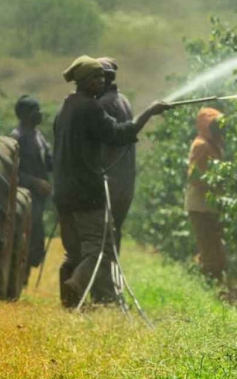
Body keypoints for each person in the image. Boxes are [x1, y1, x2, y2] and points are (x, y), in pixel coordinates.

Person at [53, 55, 171, 308]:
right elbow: (120, 133)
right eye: (97, 77)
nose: (102, 82)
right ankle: (76, 285)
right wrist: (150, 111)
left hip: (63, 191)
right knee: (100, 248)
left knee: (74, 251)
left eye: (102, 77)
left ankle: (70, 302)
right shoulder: (90, 108)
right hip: (86, 190)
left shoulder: (65, 107)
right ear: (84, 81)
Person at [95, 58, 136, 251]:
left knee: (101, 238)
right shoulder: (124, 100)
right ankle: (112, 279)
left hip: (109, 181)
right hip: (125, 182)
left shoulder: (103, 104)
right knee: (114, 233)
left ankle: (103, 280)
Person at [10, 95, 53, 269]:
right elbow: (11, 171)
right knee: (25, 235)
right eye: (35, 110)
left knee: (36, 236)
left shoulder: (38, 136)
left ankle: (28, 268)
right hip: (23, 196)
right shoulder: (17, 137)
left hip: (38, 198)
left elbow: (49, 162)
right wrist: (35, 183)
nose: (40, 113)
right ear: (25, 114)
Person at [185, 107, 227, 280]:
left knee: (212, 244)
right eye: (215, 125)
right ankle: (207, 281)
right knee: (208, 246)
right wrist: (214, 183)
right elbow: (194, 177)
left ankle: (209, 279)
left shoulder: (211, 143)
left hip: (208, 204)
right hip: (201, 205)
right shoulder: (202, 145)